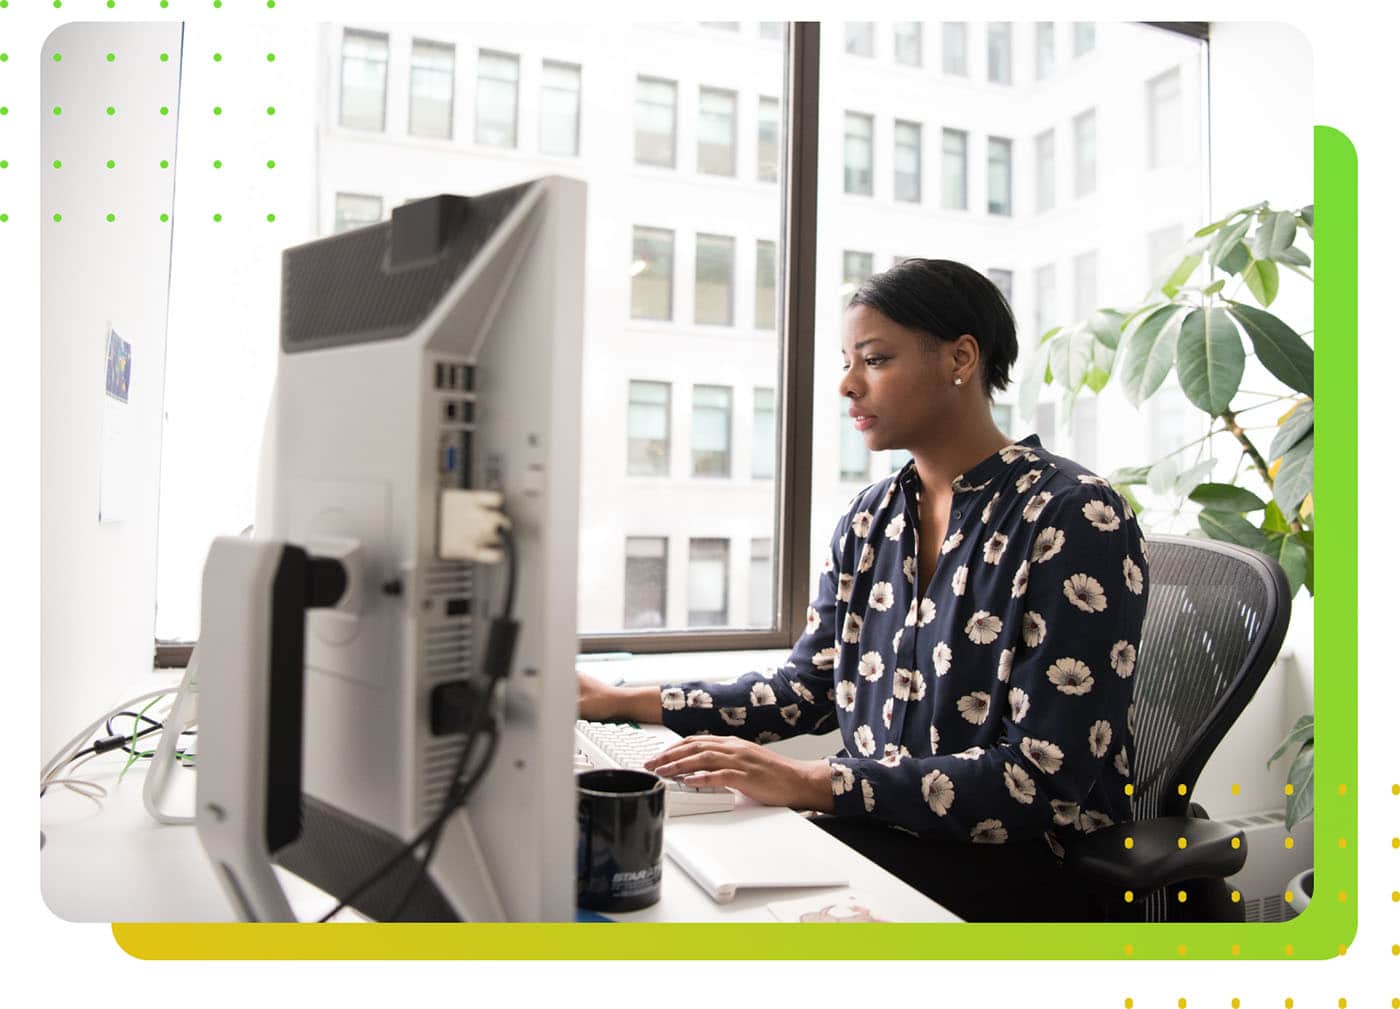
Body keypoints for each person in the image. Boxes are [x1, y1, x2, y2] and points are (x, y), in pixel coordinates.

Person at [577, 259, 1149, 922]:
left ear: (961, 358)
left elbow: (1038, 781)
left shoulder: (1075, 515)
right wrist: (619, 701)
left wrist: (810, 781)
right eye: (848, 361)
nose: (848, 384)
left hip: (1025, 867)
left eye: (874, 359)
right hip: (881, 840)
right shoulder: (872, 515)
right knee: (652, 882)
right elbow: (807, 688)